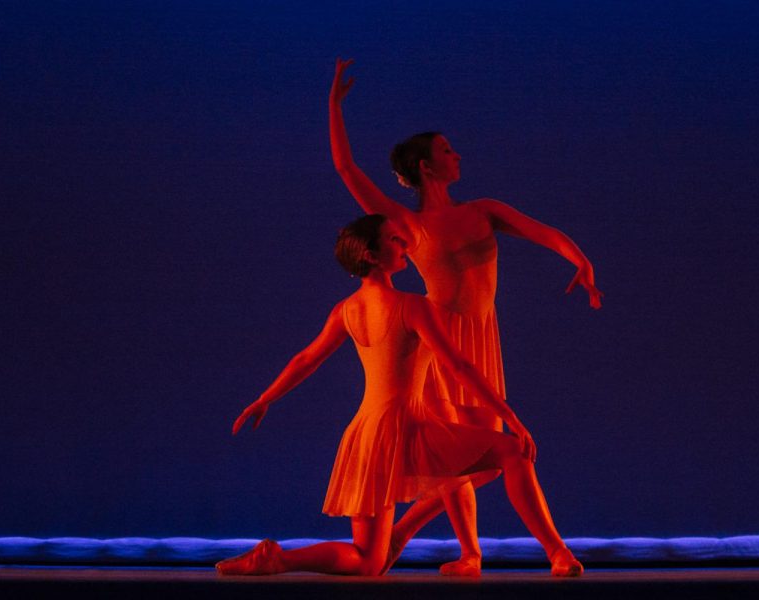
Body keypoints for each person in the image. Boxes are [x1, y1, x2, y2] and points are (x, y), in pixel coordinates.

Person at [329, 58, 602, 575]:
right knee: (482, 458)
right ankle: (513, 553)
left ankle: (426, 538)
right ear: (427, 167)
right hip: (436, 344)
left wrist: (579, 259)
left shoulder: (482, 210)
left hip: (483, 338)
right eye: (447, 150)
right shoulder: (409, 223)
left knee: (483, 464)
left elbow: (544, 232)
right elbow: (348, 171)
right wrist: (334, 108)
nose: (457, 155)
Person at [215, 215, 583, 577]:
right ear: (371, 255)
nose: (404, 245)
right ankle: (559, 553)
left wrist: (265, 398)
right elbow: (459, 367)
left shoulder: (346, 310)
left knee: (367, 561)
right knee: (513, 450)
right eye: (394, 240)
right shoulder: (412, 306)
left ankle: (279, 559)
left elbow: (305, 359)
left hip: (368, 436)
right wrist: (511, 417)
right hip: (409, 428)